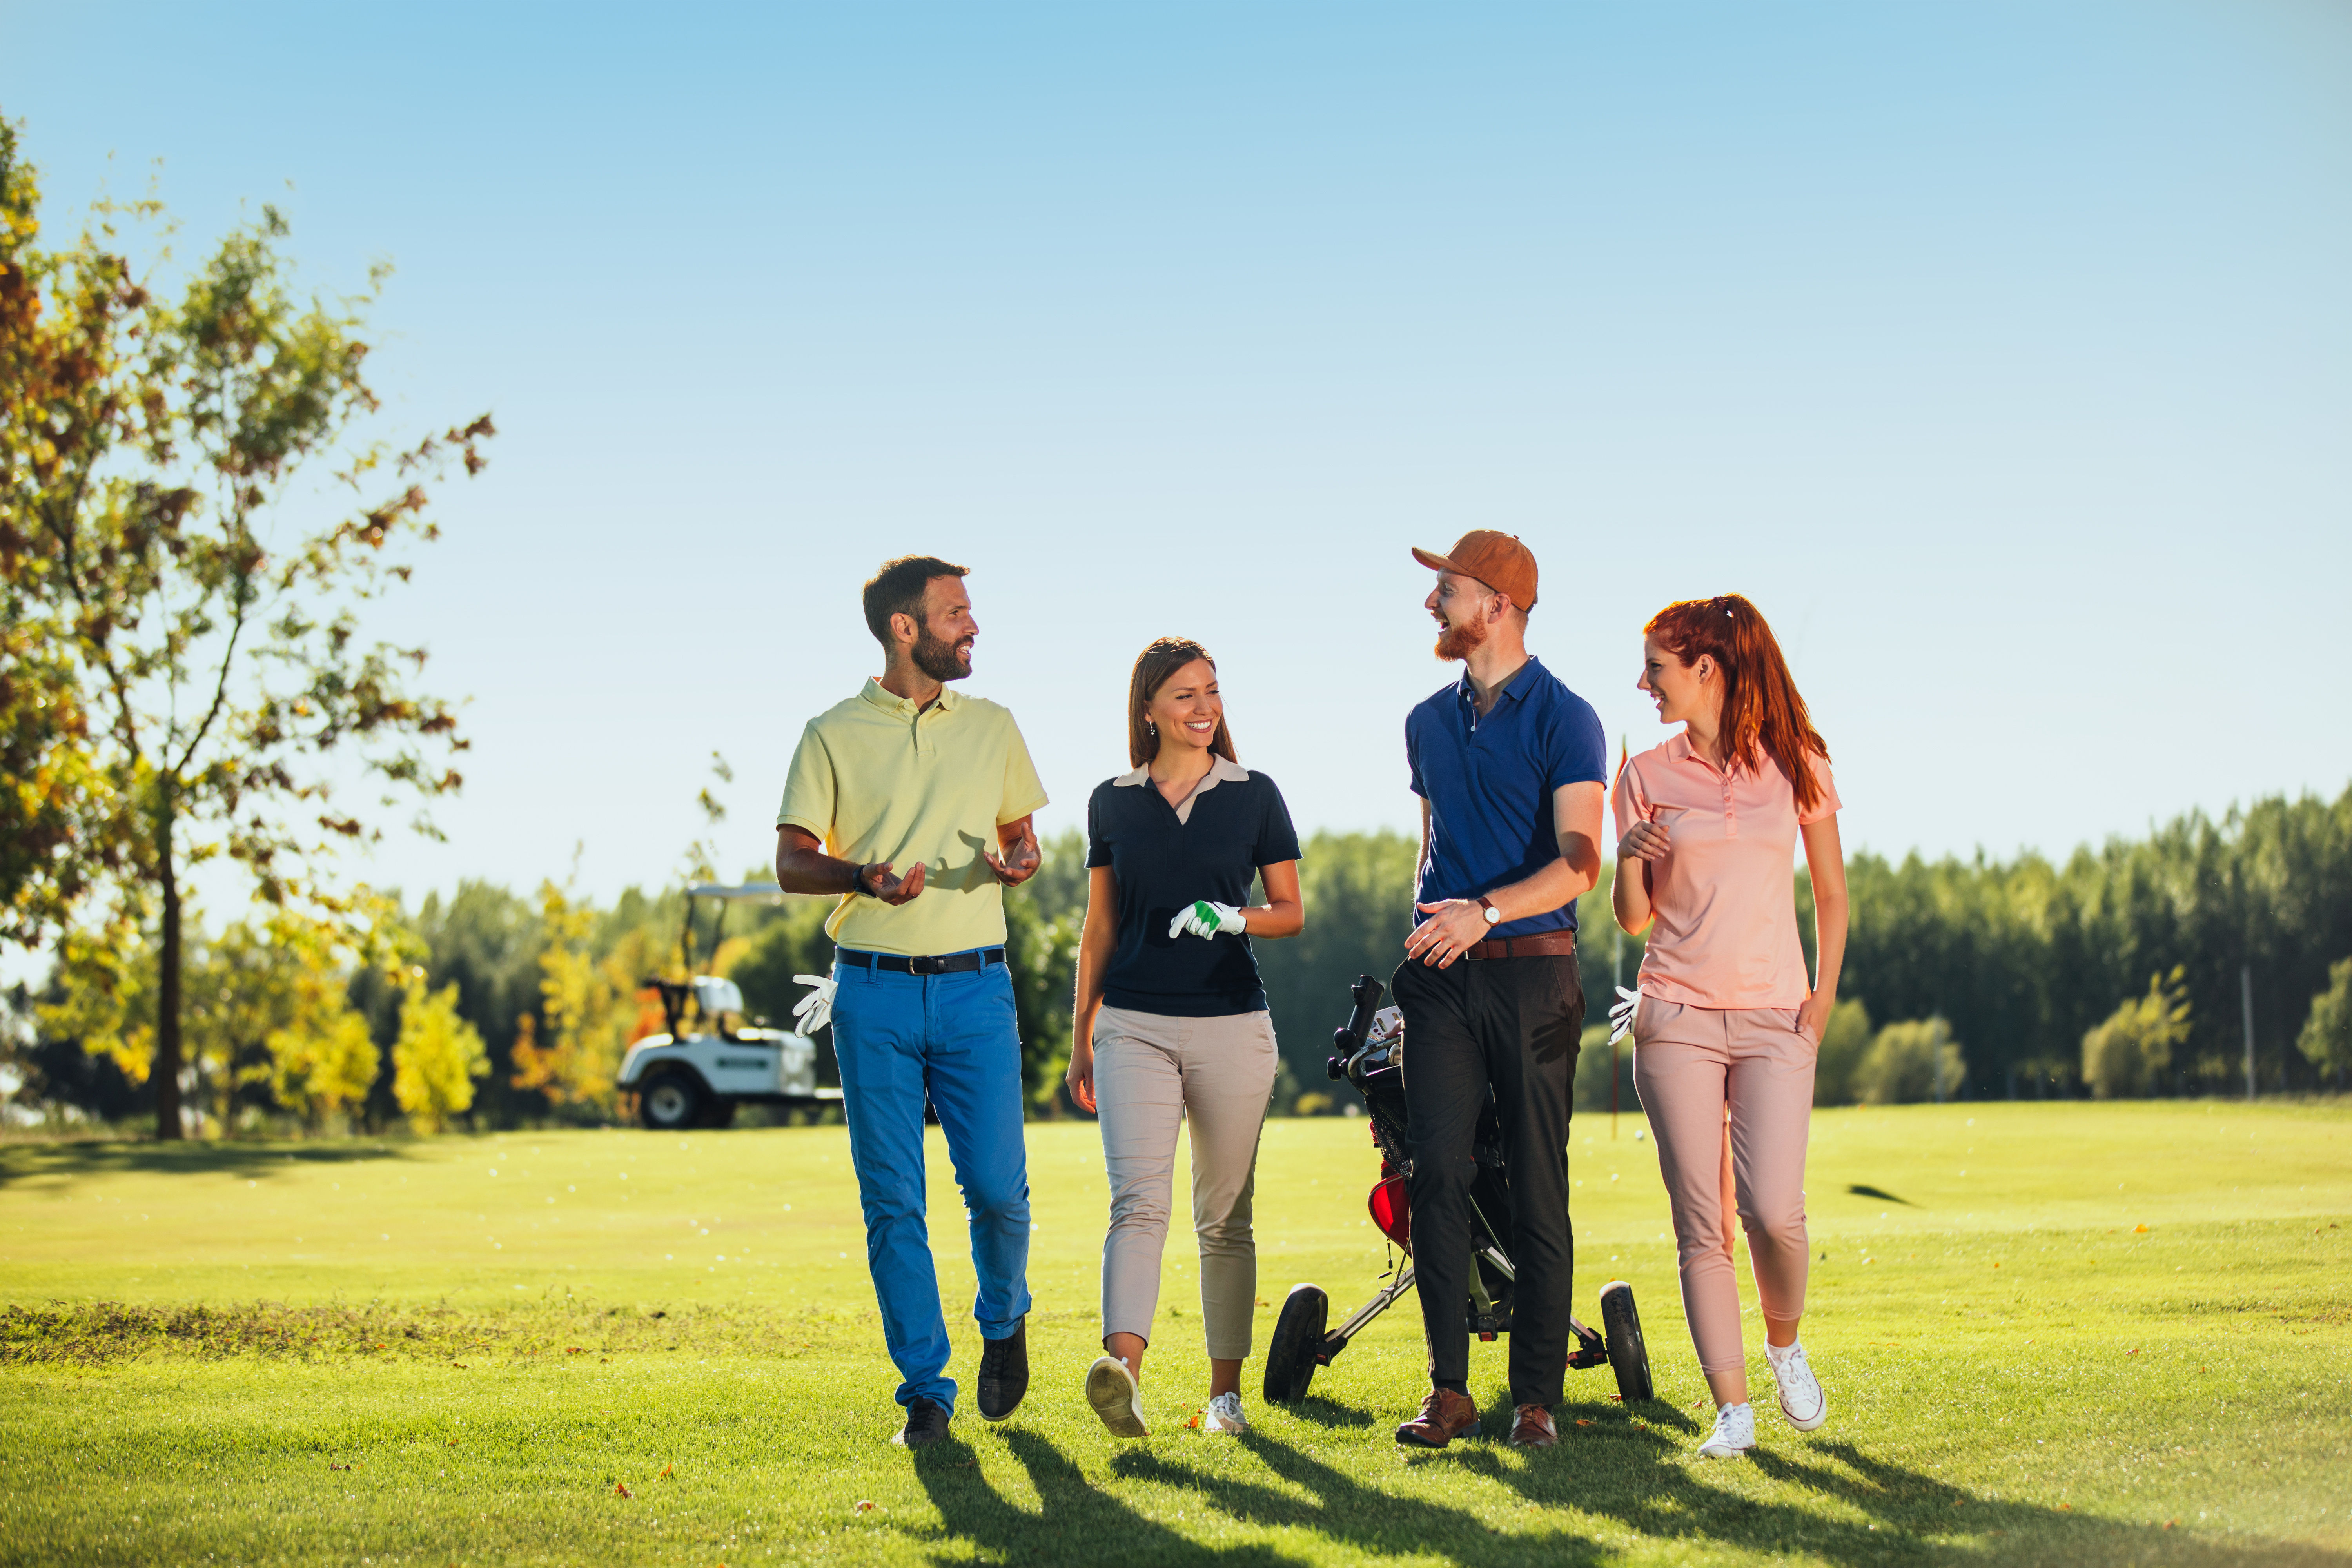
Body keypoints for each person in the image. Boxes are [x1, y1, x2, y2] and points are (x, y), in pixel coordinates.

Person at [773, 555, 1049, 1449]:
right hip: (873, 992)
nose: (973, 627)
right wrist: (864, 875)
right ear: (905, 627)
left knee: (1000, 1192)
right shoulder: (831, 733)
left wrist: (1022, 859)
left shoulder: (996, 726)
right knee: (893, 1199)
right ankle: (926, 1387)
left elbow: (1023, 836)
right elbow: (792, 860)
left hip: (978, 986)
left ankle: (1003, 1320)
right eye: (956, 613)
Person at [1610, 593, 1847, 1460]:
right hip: (1674, 1015)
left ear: (1706, 667)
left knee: (1776, 1212)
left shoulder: (1797, 759)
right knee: (1701, 1223)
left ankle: (1784, 1343)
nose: (1645, 684)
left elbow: (1830, 891)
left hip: (1776, 1015)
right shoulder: (1644, 775)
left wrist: (1822, 995)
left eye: (1657, 669)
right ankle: (1733, 1409)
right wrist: (1629, 858)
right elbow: (1633, 918)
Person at [1390, 531, 1607, 1451]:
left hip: (1535, 979)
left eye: (1447, 589)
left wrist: (1485, 911)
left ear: (1500, 604)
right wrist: (1432, 919)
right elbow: (1431, 838)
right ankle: (1449, 1390)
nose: (1432, 603)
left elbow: (1580, 861)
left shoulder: (1569, 715)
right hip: (1443, 980)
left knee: (1536, 1185)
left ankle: (1535, 1401)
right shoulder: (1424, 721)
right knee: (1433, 1170)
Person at [1064, 637, 1304, 1439]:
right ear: (1148, 709)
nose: (1204, 708)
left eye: (1212, 691)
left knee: (1225, 1215)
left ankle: (1224, 1395)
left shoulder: (1255, 794)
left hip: (1233, 1023)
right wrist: (1080, 1036)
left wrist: (1232, 916)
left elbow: (1289, 911)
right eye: (1184, 695)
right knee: (1136, 1203)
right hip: (1132, 1022)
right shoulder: (1112, 801)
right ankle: (1122, 1375)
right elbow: (1098, 926)